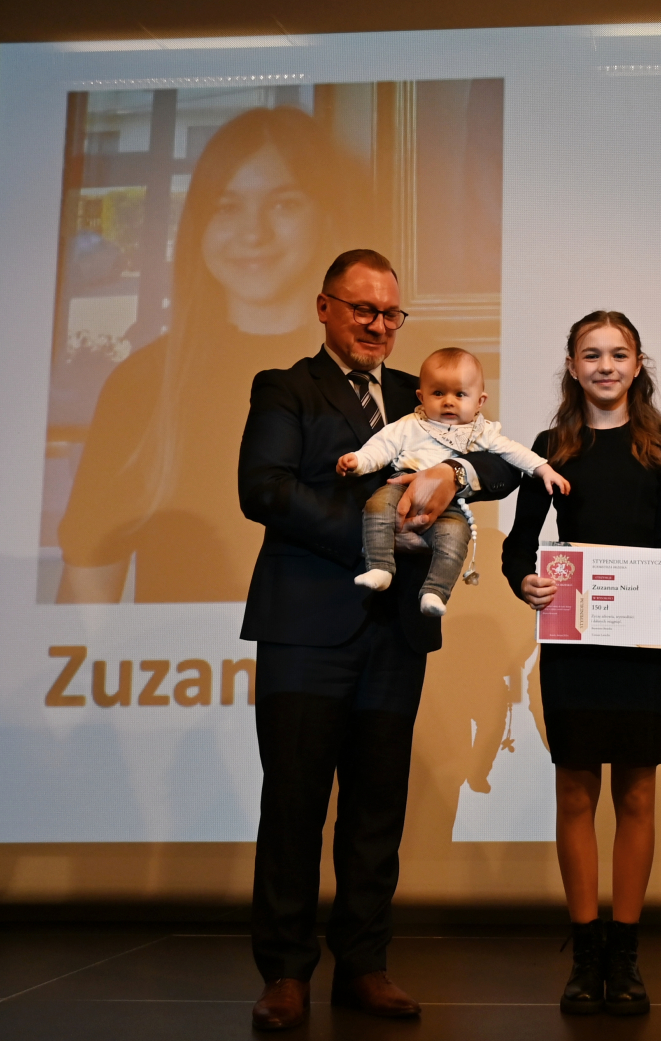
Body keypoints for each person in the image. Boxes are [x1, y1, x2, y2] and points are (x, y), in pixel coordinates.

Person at [238, 248, 522, 1031]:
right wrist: (380, 535)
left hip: (393, 633)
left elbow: (498, 466)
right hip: (305, 628)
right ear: (325, 307)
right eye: (363, 309)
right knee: (294, 805)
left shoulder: (418, 394)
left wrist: (455, 477)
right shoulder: (286, 388)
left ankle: (364, 965)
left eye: (391, 313)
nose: (378, 325)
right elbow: (263, 489)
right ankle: (285, 973)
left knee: (376, 809)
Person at [61, 106, 364, 603]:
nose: (253, 233)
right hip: (184, 658)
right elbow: (86, 598)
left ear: (327, 215)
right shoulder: (143, 384)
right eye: (226, 207)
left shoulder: (393, 384)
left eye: (283, 204)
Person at [502, 312, 661, 1016]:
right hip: (574, 642)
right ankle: (585, 956)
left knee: (639, 795)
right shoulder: (550, 447)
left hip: (643, 641)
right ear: (572, 364)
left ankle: (626, 954)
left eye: (619, 354)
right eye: (592, 355)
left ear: (638, 362)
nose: (606, 366)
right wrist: (526, 582)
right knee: (575, 795)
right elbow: (519, 545)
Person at [337, 346, 570, 615]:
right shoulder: (410, 424)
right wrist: (358, 461)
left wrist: (543, 469)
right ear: (421, 396)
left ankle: (436, 592)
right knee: (376, 507)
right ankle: (380, 567)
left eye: (460, 394)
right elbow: (381, 447)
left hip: (449, 503)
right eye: (438, 393)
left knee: (456, 535)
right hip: (400, 485)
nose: (448, 401)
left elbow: (512, 452)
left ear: (479, 401)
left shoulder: (481, 431)